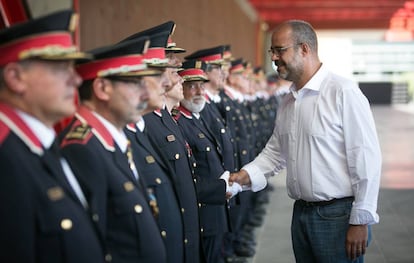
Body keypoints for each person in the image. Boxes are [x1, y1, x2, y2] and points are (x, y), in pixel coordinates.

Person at [229, 20, 382, 263]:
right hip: (301, 214)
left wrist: (361, 219)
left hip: (337, 217)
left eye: (280, 50)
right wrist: (242, 177)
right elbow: (275, 153)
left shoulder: (343, 92)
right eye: (272, 51)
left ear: (304, 49)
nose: (274, 58)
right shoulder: (289, 101)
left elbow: (365, 158)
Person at [0, 10, 106, 262]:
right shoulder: (6, 159)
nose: (76, 79)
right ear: (15, 77)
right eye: (60, 68)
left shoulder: (42, 146)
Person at [59, 36, 167, 263]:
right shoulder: (82, 149)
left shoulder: (111, 140)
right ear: (102, 88)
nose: (145, 94)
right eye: (135, 83)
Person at [176, 59, 242, 263]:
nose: (198, 91)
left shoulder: (198, 117)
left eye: (201, 85)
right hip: (204, 210)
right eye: (192, 86)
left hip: (216, 206)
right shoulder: (180, 122)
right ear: (181, 88)